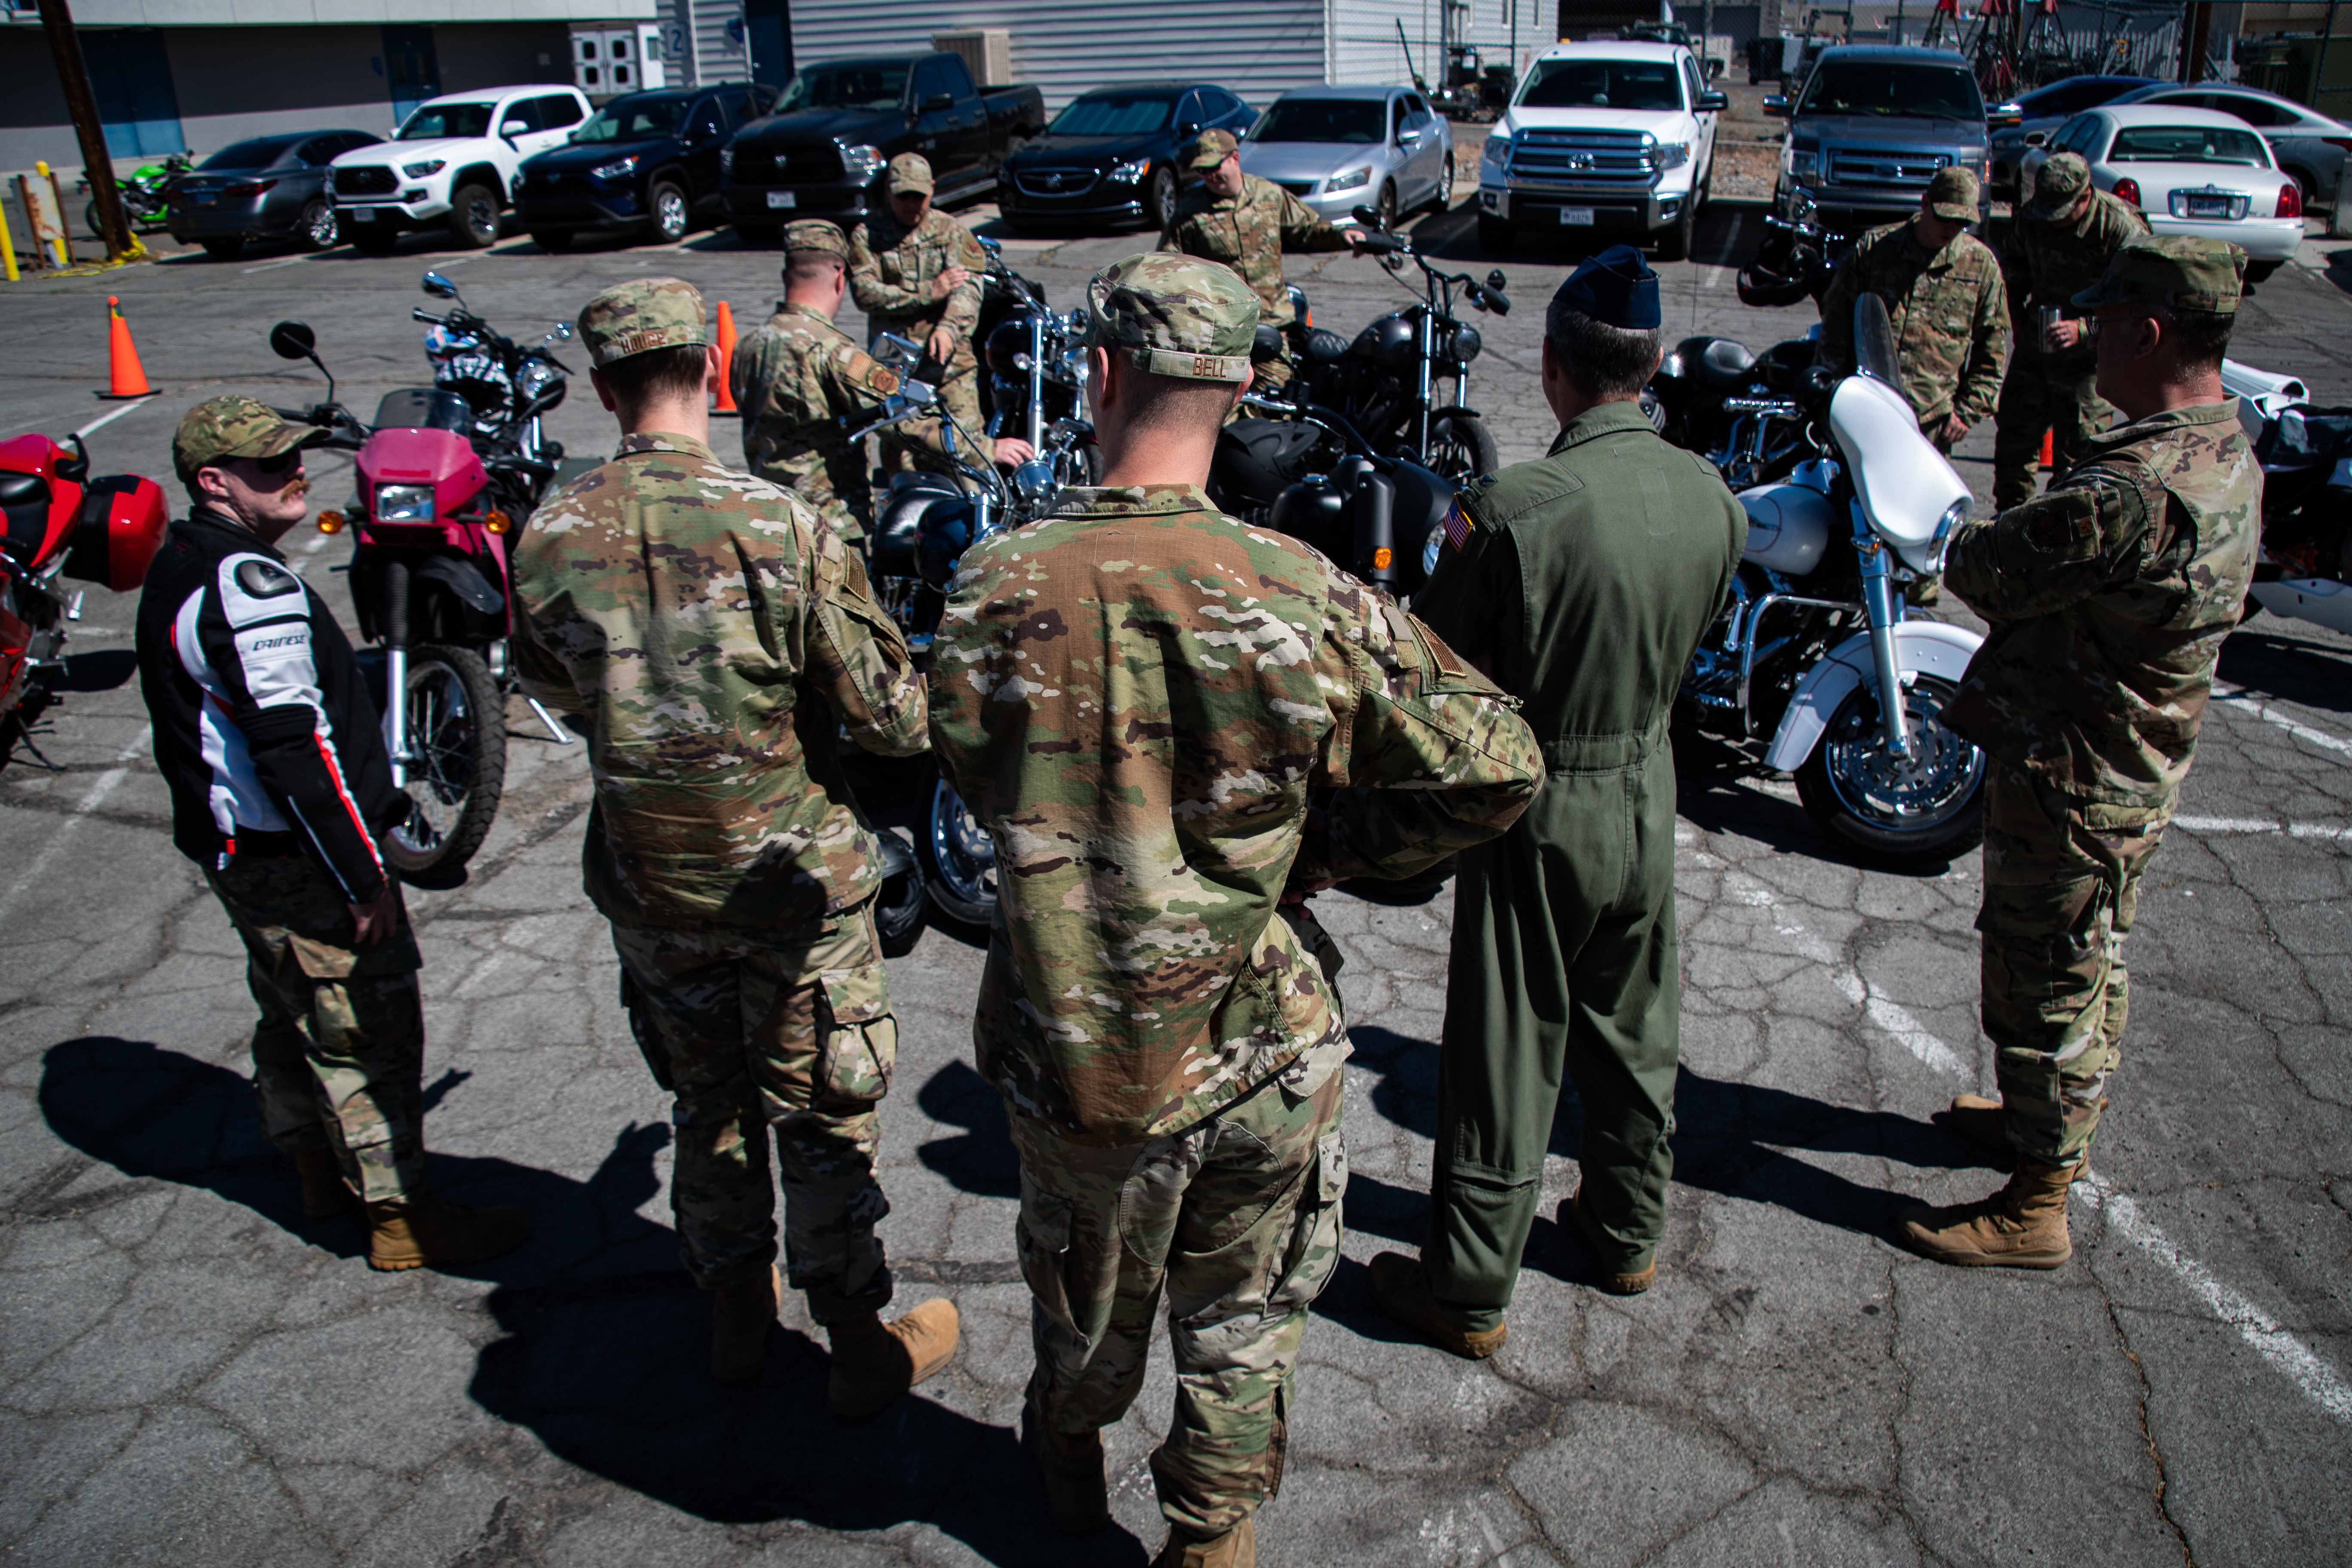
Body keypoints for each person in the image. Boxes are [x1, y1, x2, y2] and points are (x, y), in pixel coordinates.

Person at [928, 253, 1542, 1567]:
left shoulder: (993, 583)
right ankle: (1212, 1533)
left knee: (1084, 1313)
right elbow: (1497, 762)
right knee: (1243, 1315)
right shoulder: (1299, 587)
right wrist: (1333, 848)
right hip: (1260, 1043)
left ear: (1096, 374)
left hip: (1076, 1051)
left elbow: (974, 777)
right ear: (1243, 389)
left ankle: (1066, 1453)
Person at [508, 278, 958, 1408]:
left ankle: (733, 1315)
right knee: (818, 1117)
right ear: (709, 378)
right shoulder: (783, 525)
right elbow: (889, 717)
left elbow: (549, 681)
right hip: (789, 884)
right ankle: (855, 1342)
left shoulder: (551, 532)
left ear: (605, 391)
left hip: (655, 888)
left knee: (706, 1109)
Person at [1369, 246, 1745, 1353]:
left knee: (1507, 1040)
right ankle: (1627, 1228)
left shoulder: (1515, 509)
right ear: (1656, 362)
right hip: (1646, 779)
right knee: (1634, 1022)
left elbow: (1436, 663)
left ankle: (1471, 1286)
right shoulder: (1712, 496)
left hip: (1544, 793)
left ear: (1551, 368)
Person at [1898, 236, 2260, 1269]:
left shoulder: (2135, 491)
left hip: (2080, 772)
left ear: (2146, 333)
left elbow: (1988, 566)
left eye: (2104, 322)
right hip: (2125, 766)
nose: (2085, 336)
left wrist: (1924, 513)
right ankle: (2035, 1115)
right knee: (2083, 951)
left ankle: (2037, 1198)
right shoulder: (2220, 445)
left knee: (2052, 965)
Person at [134, 395, 530, 1272]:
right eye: (271, 466)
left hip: (242, 851)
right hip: (299, 856)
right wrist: (364, 875)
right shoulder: (247, 586)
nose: (295, 474)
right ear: (214, 482)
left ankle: (311, 1165)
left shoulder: (185, 564)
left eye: (293, 458)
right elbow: (296, 748)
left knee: (287, 1011)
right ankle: (402, 1217)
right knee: (368, 1036)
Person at [733, 219, 1033, 545]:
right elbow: (906, 419)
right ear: (839, 278)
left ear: (784, 276)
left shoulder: (746, 345)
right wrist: (988, 448)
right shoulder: (837, 354)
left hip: (766, 519)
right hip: (828, 528)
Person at [1156, 128, 1366, 396]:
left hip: (1272, 324)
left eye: (1214, 167)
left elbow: (1307, 229)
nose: (1210, 176)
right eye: (1203, 171)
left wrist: (1342, 236)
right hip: (1222, 331)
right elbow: (1168, 265)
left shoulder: (1269, 195)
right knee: (1220, 408)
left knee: (1279, 404)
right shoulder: (1190, 212)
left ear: (1235, 158)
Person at [1993, 152, 2150, 509]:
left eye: (2061, 213)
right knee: (2014, 442)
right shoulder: (2034, 215)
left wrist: (2084, 328)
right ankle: (2009, 529)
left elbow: (2141, 300)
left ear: (2085, 196)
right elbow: (2012, 266)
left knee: (2079, 460)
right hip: (2036, 346)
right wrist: (2015, 318)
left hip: (2092, 357)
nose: (2052, 221)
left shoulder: (2119, 227)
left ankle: (2062, 543)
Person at [1816, 166, 2008, 453]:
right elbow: (1836, 327)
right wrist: (1828, 397)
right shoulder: (1874, 250)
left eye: (1961, 222)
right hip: (1868, 409)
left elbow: (1991, 348)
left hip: (1931, 421)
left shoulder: (1979, 266)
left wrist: (1967, 411)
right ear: (1925, 203)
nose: (1951, 228)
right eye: (1945, 217)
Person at [848, 153, 1000, 470]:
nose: (910, 204)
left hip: (948, 366)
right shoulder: (868, 236)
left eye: (918, 196)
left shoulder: (951, 232)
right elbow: (865, 293)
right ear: (888, 191)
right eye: (903, 196)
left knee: (967, 450)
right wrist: (929, 292)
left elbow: (968, 290)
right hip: (894, 366)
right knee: (899, 457)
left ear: (932, 190)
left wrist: (948, 328)